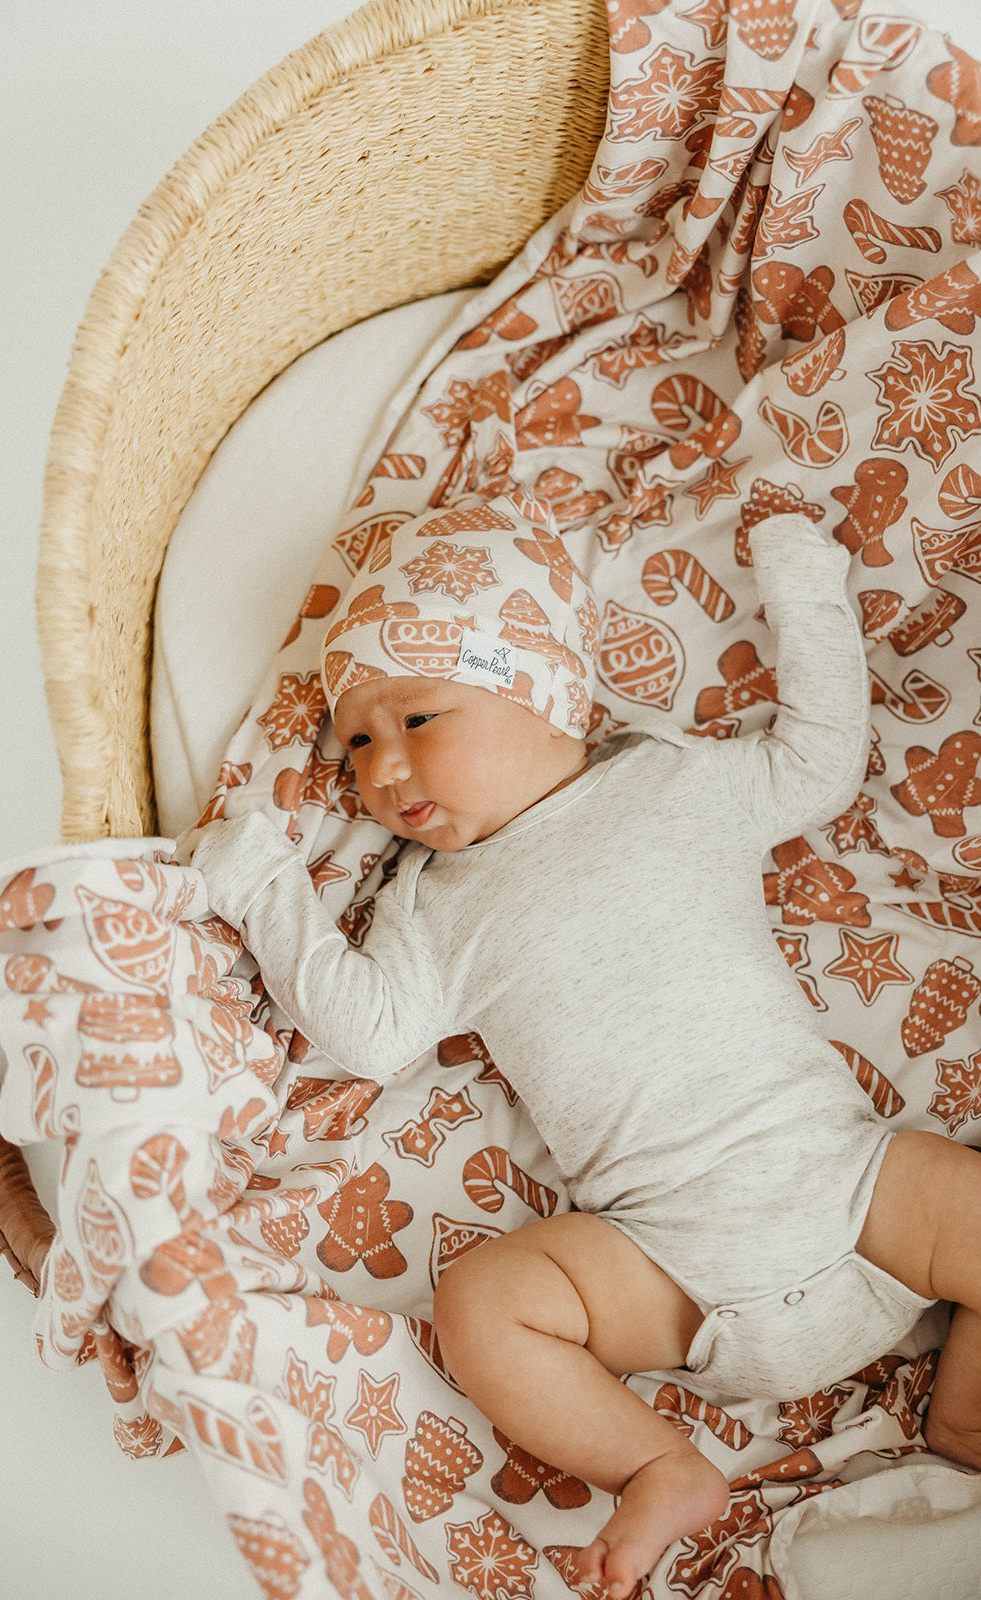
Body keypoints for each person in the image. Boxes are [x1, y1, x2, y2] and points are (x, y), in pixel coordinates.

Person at [190, 493, 981, 1598]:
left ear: (542, 692)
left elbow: (815, 760)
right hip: (672, 1268)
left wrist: (801, 583)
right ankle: (658, 1462)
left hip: (855, 1193)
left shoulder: (670, 782)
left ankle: (961, 1415)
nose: (378, 770)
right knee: (481, 1306)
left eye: (416, 720)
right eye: (358, 740)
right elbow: (369, 1032)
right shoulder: (435, 904)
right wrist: (267, 889)